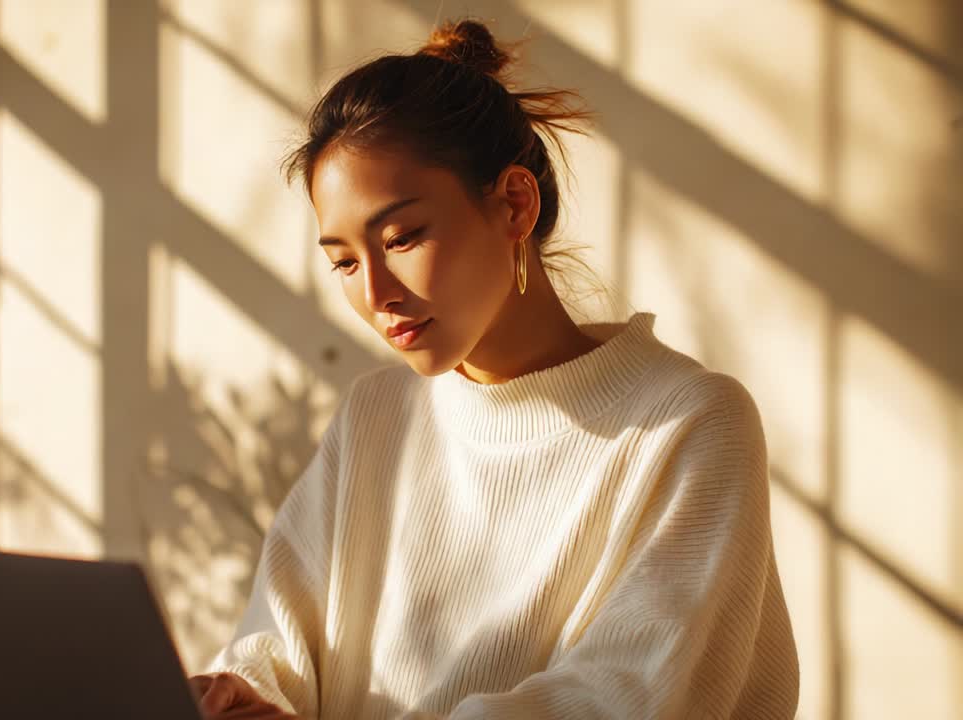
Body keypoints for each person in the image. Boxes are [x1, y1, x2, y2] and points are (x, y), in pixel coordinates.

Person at [187, 18, 799, 720]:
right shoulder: (377, 413)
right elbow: (279, 641)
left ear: (514, 204)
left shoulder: (688, 422)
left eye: (403, 236)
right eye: (344, 261)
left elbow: (625, 698)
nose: (375, 292)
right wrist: (243, 694)